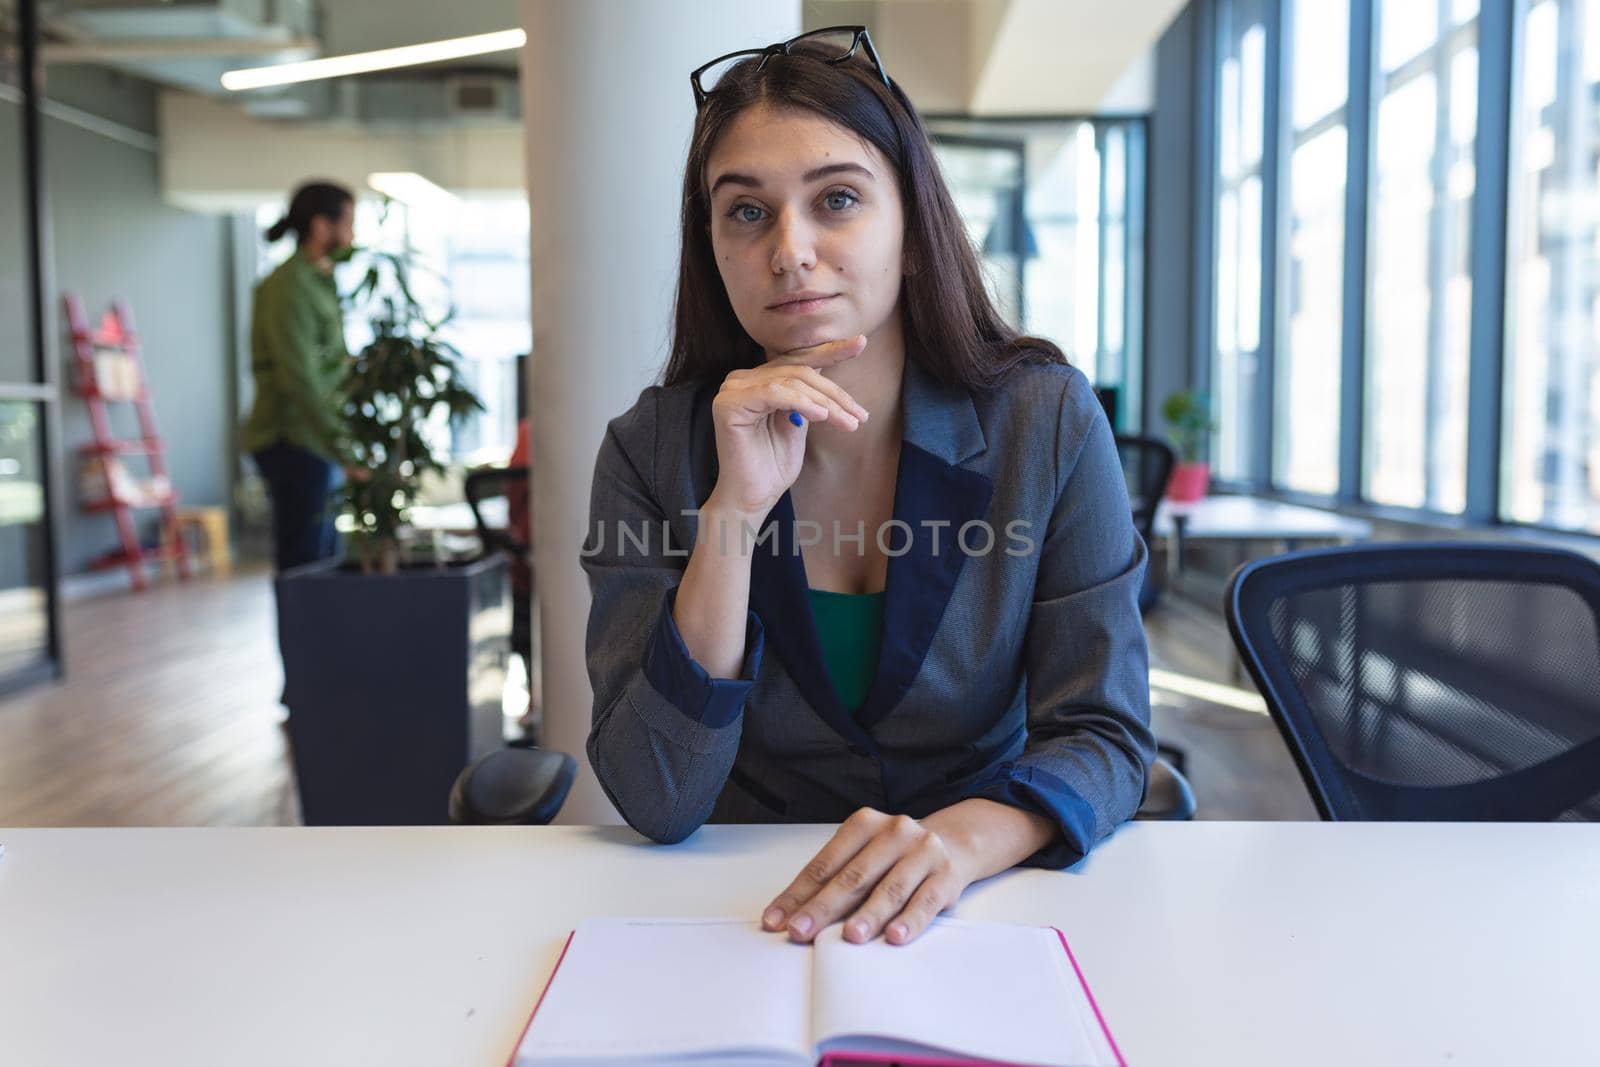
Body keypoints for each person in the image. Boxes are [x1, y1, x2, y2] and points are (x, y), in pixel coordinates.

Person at [582, 28, 1153, 948]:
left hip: (986, 897)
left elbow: (1106, 734)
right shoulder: (651, 452)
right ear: (713, 248)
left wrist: (963, 842)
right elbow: (656, 795)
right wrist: (732, 516)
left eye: (836, 199)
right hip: (741, 916)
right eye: (746, 212)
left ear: (915, 233)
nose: (790, 251)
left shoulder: (1043, 423)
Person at [242, 181, 357, 572]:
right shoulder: (290, 286)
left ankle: (324, 636)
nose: (352, 235)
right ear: (321, 226)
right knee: (304, 565)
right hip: (294, 439)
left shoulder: (319, 281)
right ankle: (304, 636)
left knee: (325, 559)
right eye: (348, 223)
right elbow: (300, 378)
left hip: (317, 440)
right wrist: (342, 446)